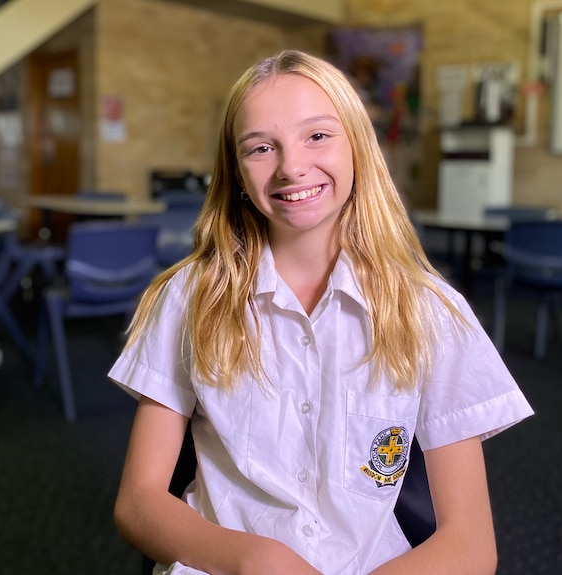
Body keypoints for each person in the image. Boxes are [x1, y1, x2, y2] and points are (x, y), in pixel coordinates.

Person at [109, 49, 533, 575]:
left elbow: (470, 545)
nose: (291, 167)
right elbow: (138, 502)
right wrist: (252, 559)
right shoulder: (190, 297)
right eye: (261, 148)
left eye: (317, 136)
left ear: (357, 147)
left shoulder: (431, 311)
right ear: (237, 172)